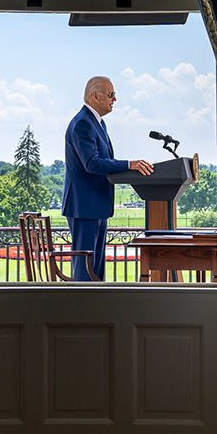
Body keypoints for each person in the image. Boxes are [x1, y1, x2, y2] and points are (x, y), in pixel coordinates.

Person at [62, 76, 152, 281]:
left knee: (97, 268)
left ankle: (97, 308)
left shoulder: (98, 124)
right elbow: (92, 163)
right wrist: (129, 165)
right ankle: (83, 310)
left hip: (97, 205)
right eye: (111, 94)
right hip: (83, 206)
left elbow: (103, 161)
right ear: (96, 96)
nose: (115, 99)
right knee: (85, 269)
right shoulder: (82, 124)